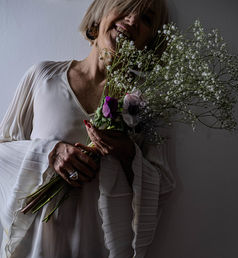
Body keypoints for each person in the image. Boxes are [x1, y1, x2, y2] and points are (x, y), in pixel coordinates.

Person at [0, 0, 175, 257]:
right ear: (101, 14)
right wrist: (50, 153)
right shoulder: (43, 77)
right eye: (126, 8)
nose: (134, 20)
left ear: (149, 42)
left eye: (146, 19)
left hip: (96, 247)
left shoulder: (144, 104)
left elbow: (161, 185)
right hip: (36, 247)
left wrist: (127, 153)